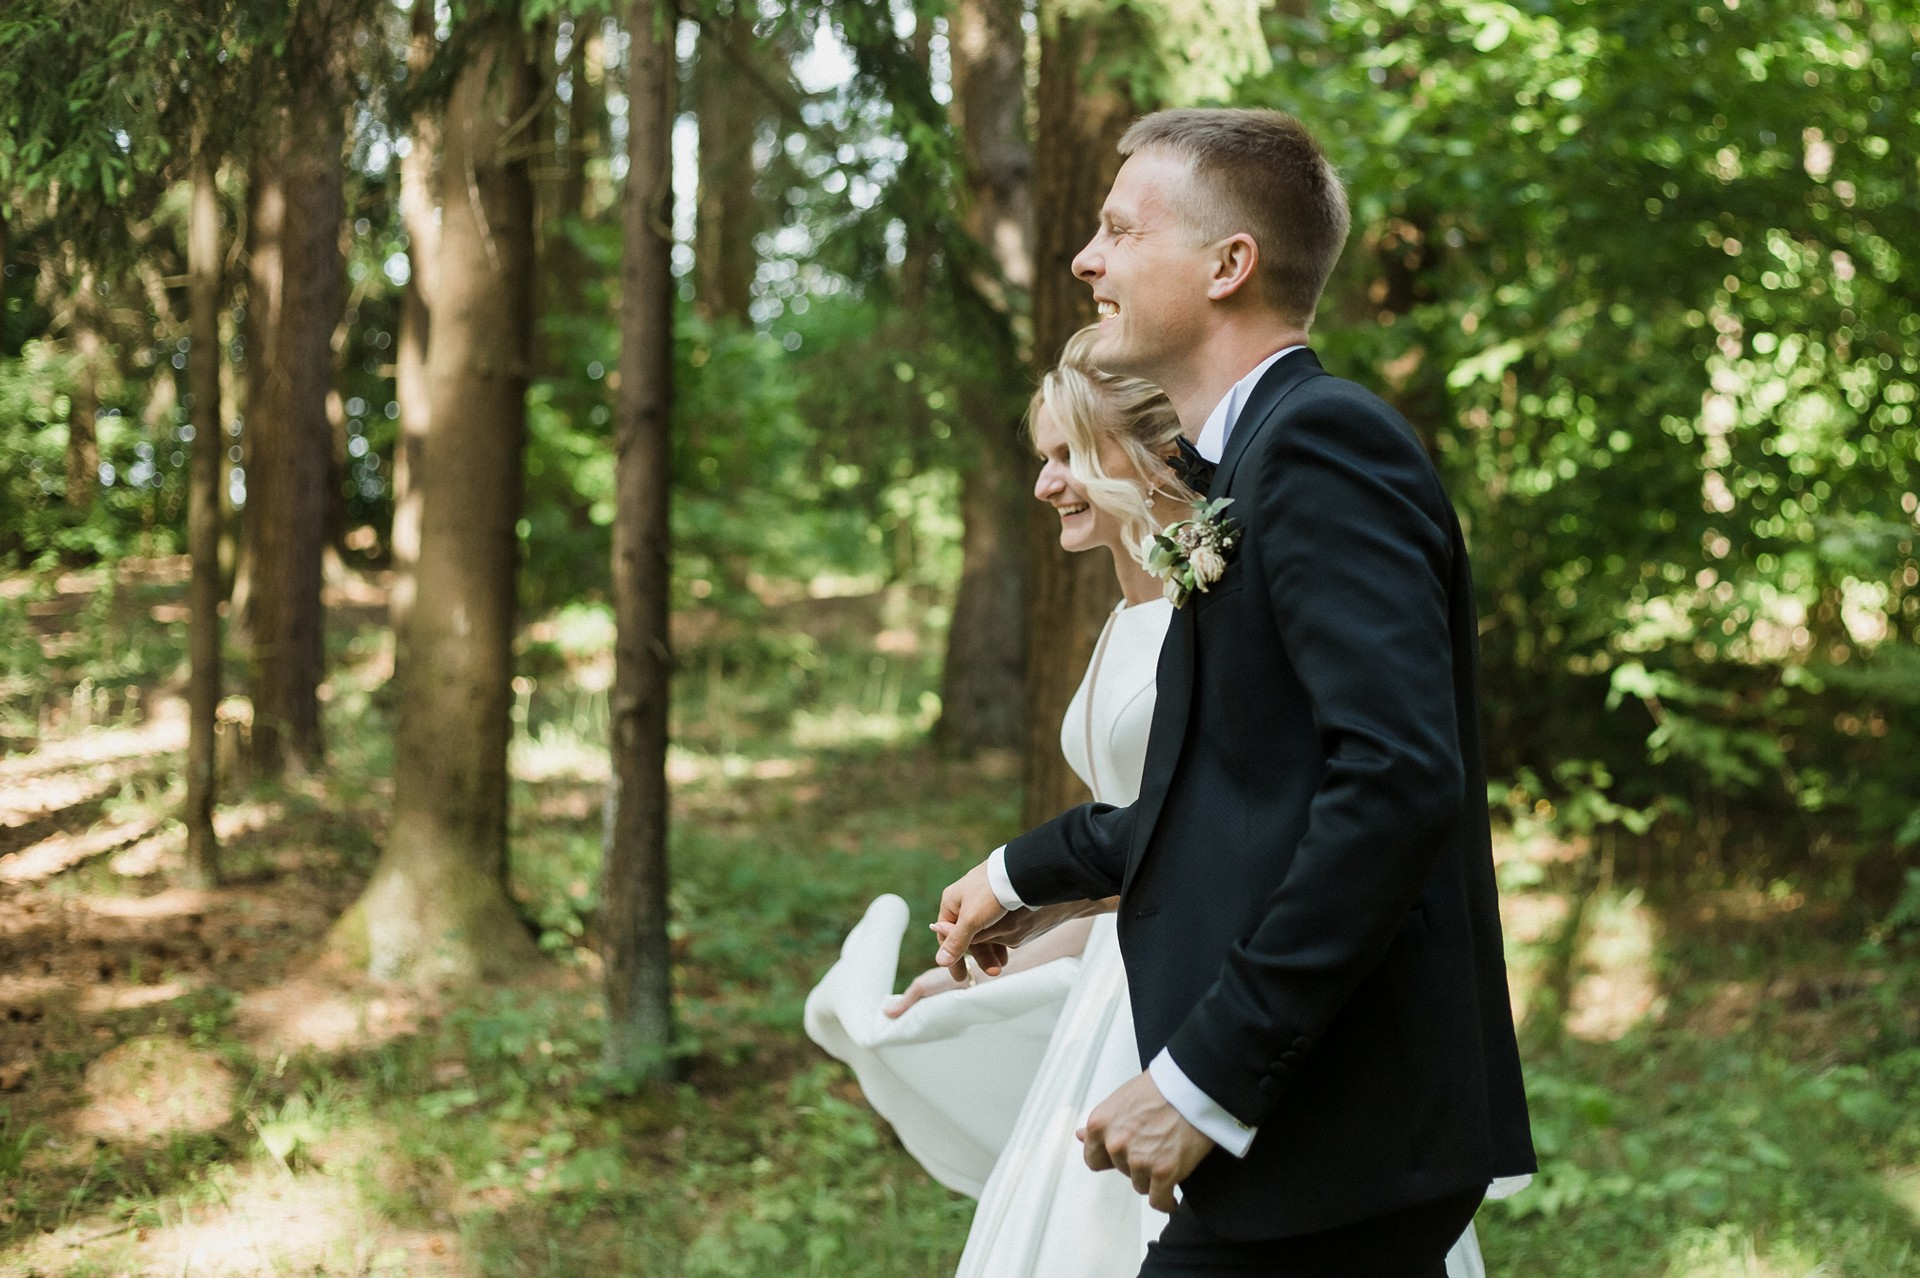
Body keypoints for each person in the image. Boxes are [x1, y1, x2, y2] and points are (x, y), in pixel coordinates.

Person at [933, 108, 1536, 1277]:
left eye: (1118, 231)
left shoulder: (1324, 447)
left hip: (1335, 1127)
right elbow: (1242, 793)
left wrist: (1206, 1079)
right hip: (1320, 1137)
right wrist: (1027, 876)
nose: (1085, 260)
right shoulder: (1243, 470)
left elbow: (1397, 786)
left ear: (1228, 265)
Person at [806, 328, 1499, 1277]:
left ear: (1144, 451)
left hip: (1226, 1006)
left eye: (1069, 456)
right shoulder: (1140, 608)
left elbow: (1283, 820)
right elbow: (1173, 857)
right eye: (1041, 458)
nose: (1046, 483)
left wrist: (1026, 880)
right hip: (1134, 987)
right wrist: (1001, 961)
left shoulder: (1241, 567)